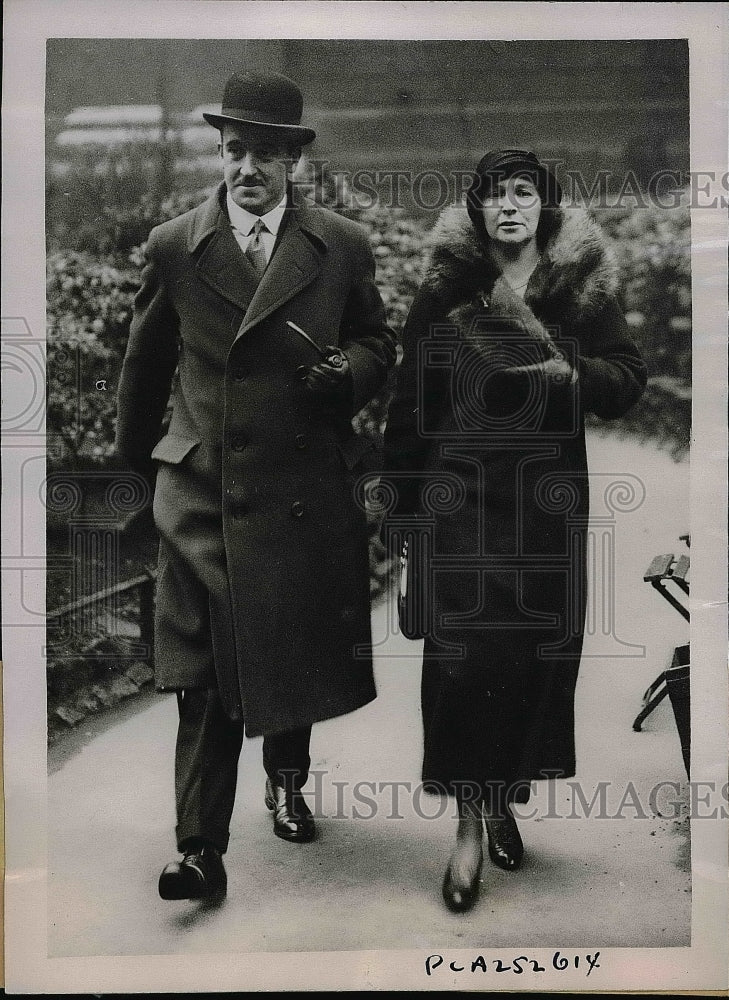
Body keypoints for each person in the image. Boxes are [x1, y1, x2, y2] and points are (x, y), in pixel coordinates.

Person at [115, 70, 396, 901]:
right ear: (223, 154)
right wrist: (143, 476)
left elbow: (378, 340)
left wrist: (351, 371)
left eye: (266, 155)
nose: (248, 169)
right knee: (202, 672)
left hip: (301, 484)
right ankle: (200, 848)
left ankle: (287, 777)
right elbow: (143, 367)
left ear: (291, 162)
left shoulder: (339, 244)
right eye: (236, 151)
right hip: (202, 490)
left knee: (286, 646)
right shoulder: (176, 243)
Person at [381, 149, 646, 912]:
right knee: (463, 664)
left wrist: (570, 367)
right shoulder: (446, 288)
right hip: (458, 501)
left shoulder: (579, 287)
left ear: (543, 205)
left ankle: (501, 798)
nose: (508, 207)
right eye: (494, 194)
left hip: (545, 507)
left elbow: (625, 380)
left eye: (522, 193)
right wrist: (401, 509)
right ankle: (467, 832)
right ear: (476, 207)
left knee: (530, 662)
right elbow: (411, 398)